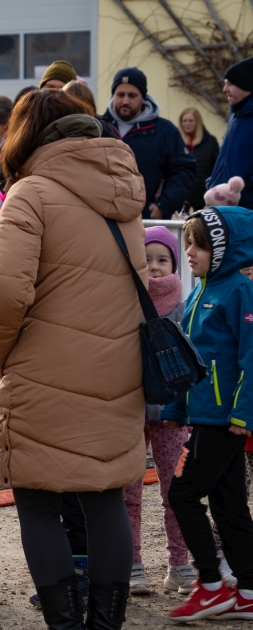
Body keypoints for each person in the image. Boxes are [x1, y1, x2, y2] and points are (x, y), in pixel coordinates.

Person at [0, 88, 148, 630]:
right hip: (119, 367)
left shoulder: (31, 194)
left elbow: (6, 291)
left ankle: (64, 624)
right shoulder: (123, 192)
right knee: (103, 500)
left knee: (35, 502)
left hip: (45, 368)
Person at [161, 207, 253, 623]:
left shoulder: (239, 290)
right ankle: (247, 592)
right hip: (204, 417)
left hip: (224, 420)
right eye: (189, 243)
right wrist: (178, 406)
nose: (190, 251)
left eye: (199, 244)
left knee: (181, 494)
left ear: (224, 248)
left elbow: (251, 357)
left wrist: (243, 413)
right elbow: (194, 360)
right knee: (229, 504)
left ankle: (211, 585)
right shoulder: (199, 290)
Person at [122, 227, 195, 596]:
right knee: (128, 492)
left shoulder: (186, 303)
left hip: (172, 414)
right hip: (132, 411)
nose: (153, 267)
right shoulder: (125, 301)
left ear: (174, 263)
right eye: (146, 259)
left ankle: (179, 564)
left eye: (162, 260)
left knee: (176, 491)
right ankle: (133, 564)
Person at [102, 67, 195, 219]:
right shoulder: (99, 126)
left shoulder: (165, 131)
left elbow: (183, 171)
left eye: (132, 95)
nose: (125, 101)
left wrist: (164, 206)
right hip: (104, 219)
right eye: (120, 95)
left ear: (143, 97)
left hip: (147, 222)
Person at [208, 56, 253, 210]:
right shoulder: (235, 117)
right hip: (223, 207)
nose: (224, 89)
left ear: (247, 86)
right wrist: (212, 184)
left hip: (245, 210)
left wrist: (246, 186)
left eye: (230, 84)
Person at [179, 108, 219, 212]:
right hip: (181, 194)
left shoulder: (210, 142)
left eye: (191, 121)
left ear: (198, 122)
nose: (187, 124)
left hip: (203, 195)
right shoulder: (177, 142)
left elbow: (216, 168)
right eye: (184, 121)